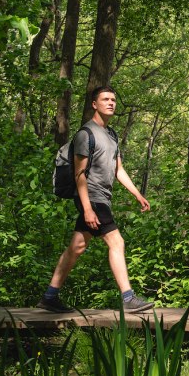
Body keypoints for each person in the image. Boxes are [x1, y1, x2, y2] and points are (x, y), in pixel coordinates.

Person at [39, 86, 154, 313]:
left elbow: (118, 169)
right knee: (116, 242)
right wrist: (88, 208)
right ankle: (128, 297)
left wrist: (137, 194)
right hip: (92, 197)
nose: (111, 103)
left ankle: (50, 296)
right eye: (105, 99)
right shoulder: (85, 134)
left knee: (77, 246)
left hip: (102, 198)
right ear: (94, 104)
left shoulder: (111, 135)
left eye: (113, 99)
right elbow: (79, 174)